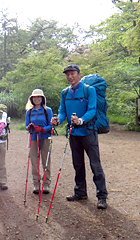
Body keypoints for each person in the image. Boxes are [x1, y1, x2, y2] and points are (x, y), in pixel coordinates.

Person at [51, 64, 108, 209]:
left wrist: (81, 120)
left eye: (72, 74)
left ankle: (102, 196)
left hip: (89, 132)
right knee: (78, 164)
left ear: (79, 74)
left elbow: (92, 110)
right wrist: (58, 120)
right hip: (73, 133)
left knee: (95, 164)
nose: (70, 76)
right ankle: (80, 192)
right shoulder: (65, 93)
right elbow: (62, 111)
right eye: (67, 74)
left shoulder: (89, 90)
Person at [25, 89, 53, 194]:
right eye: (35, 97)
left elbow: (51, 125)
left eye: (39, 97)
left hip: (45, 137)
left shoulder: (47, 110)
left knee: (46, 161)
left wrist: (42, 129)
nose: (37, 99)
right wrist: (30, 127)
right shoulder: (29, 111)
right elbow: (26, 125)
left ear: (42, 99)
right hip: (33, 138)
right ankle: (36, 183)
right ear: (32, 99)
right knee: (34, 161)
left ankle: (46, 184)